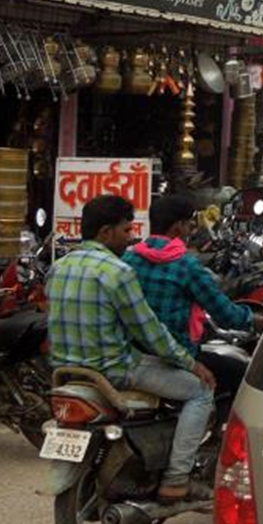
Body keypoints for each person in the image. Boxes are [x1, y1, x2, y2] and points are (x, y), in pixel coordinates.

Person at [46, 195, 215, 504]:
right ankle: (177, 479)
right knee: (200, 392)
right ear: (106, 232)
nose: (131, 238)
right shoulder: (117, 272)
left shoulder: (58, 267)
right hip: (116, 371)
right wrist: (191, 364)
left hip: (66, 372)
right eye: (126, 231)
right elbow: (149, 330)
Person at [123, 196, 263, 407]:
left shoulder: (129, 258)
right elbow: (226, 315)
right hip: (176, 356)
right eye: (189, 223)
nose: (192, 228)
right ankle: (222, 434)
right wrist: (261, 322)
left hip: (136, 354)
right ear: (178, 226)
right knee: (242, 374)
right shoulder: (186, 265)